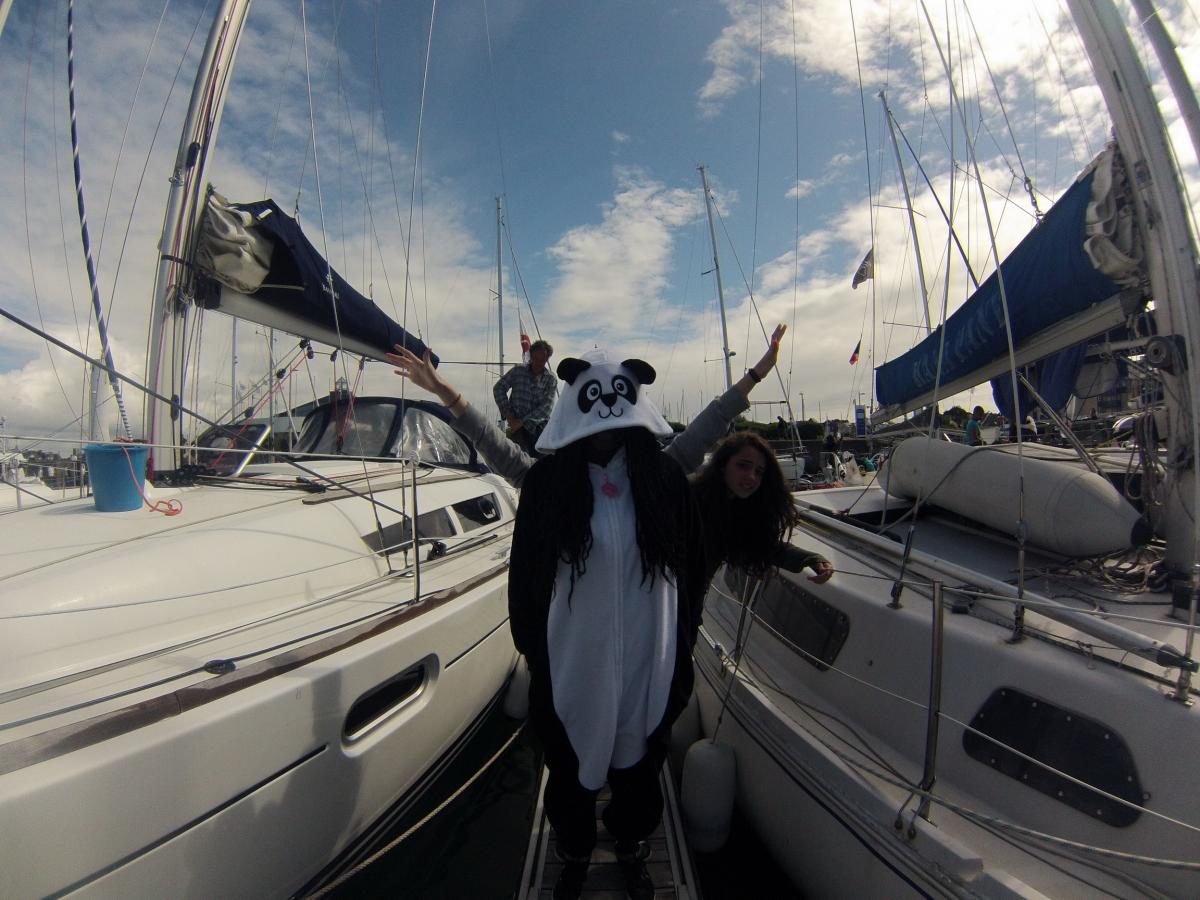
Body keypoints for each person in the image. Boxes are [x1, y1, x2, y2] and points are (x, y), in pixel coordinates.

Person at [387, 326, 787, 900]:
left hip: (648, 660)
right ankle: (574, 850)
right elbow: (497, 449)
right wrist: (445, 392)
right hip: (575, 660)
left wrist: (754, 376)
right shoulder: (551, 483)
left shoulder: (662, 474)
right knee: (571, 770)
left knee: (639, 769)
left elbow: (708, 427)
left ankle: (630, 844)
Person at [691, 431, 833, 587]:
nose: (751, 476)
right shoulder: (689, 501)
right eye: (743, 466)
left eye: (759, 472)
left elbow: (762, 546)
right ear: (723, 465)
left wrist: (811, 559)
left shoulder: (736, 509)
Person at [493, 339, 557, 457]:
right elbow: (499, 388)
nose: (538, 362)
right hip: (517, 431)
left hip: (539, 430)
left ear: (547, 359)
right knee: (519, 463)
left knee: (542, 464)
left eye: (542, 359)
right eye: (535, 358)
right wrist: (509, 414)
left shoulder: (551, 379)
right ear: (531, 356)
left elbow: (546, 408)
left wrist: (521, 422)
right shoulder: (518, 371)